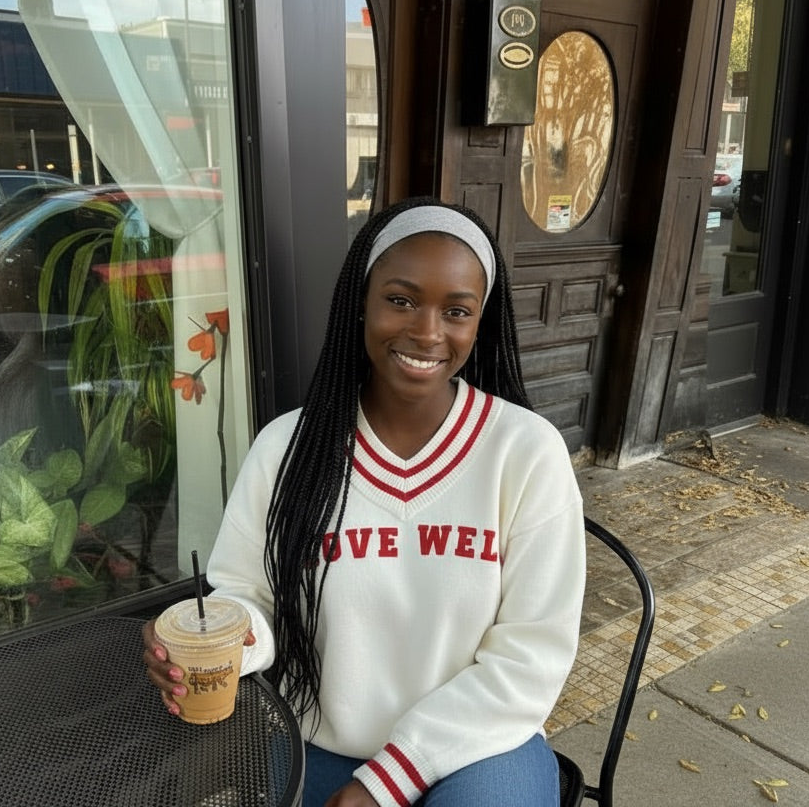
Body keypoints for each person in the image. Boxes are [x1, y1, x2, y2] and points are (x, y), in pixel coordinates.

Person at [143, 197, 585, 806]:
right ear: (361, 303)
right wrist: (220, 637)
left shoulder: (525, 451)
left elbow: (532, 655)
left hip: (481, 745)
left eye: (456, 310)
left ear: (480, 323)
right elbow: (250, 595)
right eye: (400, 300)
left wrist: (385, 785)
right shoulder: (285, 448)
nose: (427, 332)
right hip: (325, 742)